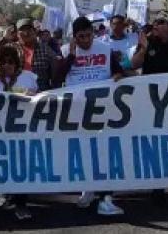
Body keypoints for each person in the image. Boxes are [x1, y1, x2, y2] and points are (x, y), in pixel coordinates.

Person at [54, 17, 124, 216]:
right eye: (81, 37)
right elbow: (57, 78)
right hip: (77, 111)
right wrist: (72, 57)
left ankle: (106, 198)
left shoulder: (104, 48)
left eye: (88, 35)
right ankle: (88, 188)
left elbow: (118, 71)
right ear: (74, 37)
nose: (86, 40)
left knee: (104, 151)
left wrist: (118, 76)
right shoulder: (67, 51)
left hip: (103, 109)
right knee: (84, 152)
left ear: (93, 33)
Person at [130, 11, 168, 204]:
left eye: (161, 22)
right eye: (156, 22)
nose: (156, 25)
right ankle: (155, 183)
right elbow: (133, 64)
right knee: (152, 139)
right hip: (151, 101)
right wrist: (143, 48)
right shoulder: (148, 41)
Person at [0, 44, 38, 220]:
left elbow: (39, 99)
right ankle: (4, 193)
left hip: (21, 131)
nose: (7, 65)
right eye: (3, 62)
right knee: (2, 163)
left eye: (11, 62)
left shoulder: (28, 78)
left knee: (21, 167)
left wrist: (32, 94)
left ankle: (21, 204)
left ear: (17, 63)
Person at [0, 18, 54, 91]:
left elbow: (57, 67)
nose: (26, 33)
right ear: (17, 34)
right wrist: (4, 39)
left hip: (40, 94)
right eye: (22, 30)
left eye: (29, 29)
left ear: (34, 31)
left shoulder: (45, 49)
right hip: (16, 90)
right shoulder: (11, 47)